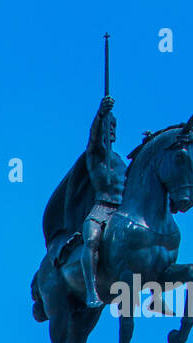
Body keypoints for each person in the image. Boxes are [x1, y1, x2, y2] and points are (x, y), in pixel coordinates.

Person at [81, 96, 127, 307]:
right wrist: (100, 115)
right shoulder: (96, 154)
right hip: (101, 208)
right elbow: (93, 138)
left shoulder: (119, 161)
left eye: (114, 126)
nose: (111, 129)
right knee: (92, 240)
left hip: (121, 210)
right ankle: (91, 290)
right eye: (108, 125)